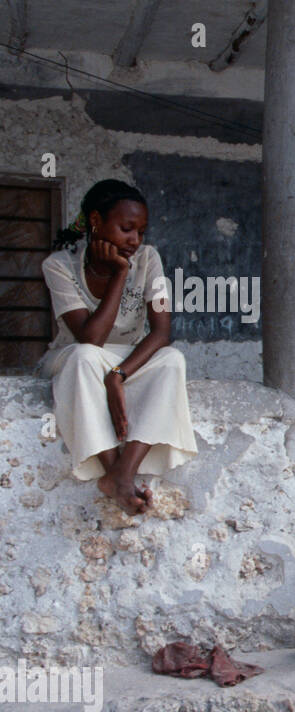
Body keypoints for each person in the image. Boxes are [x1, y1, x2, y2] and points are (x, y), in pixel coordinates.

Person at [39, 179, 196, 513]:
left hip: (123, 361)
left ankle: (123, 472)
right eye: (126, 229)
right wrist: (120, 274)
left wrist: (118, 375)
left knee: (171, 360)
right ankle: (115, 471)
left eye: (140, 232)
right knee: (84, 357)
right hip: (73, 357)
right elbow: (90, 338)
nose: (135, 241)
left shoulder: (150, 258)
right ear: (95, 220)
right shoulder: (59, 265)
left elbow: (161, 332)